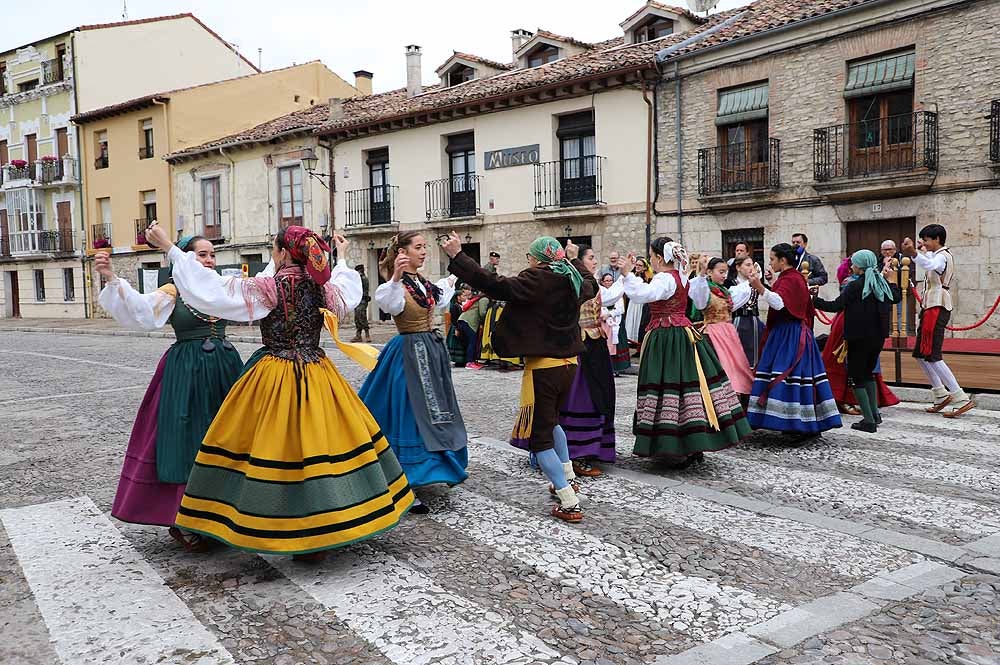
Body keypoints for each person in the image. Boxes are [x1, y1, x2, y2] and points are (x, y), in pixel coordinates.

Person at [144, 222, 413, 561]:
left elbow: (210, 290)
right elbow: (350, 290)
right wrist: (341, 257)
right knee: (321, 447)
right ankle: (328, 526)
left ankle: (280, 526)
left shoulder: (267, 288)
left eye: (275, 249)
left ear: (284, 253)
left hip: (275, 372)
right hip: (317, 371)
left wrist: (171, 249)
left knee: (273, 451)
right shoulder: (324, 288)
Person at [97, 236, 244, 553]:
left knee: (228, 439)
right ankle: (184, 519)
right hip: (187, 372)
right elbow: (140, 310)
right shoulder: (174, 290)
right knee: (188, 440)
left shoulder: (222, 287)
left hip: (225, 370)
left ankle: (223, 514)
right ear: (185, 259)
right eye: (201, 255)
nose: (209, 260)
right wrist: (112, 279)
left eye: (212, 255)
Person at [443, 233, 596, 522]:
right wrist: (575, 259)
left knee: (540, 440)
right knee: (552, 424)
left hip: (545, 368)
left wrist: (458, 257)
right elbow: (593, 284)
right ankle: (568, 476)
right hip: (570, 365)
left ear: (537, 258)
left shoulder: (538, 279)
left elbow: (495, 285)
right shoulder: (573, 279)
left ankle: (568, 501)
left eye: (530, 257)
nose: (528, 262)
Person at [359, 232, 469, 513]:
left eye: (424, 248)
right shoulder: (394, 287)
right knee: (407, 412)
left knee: (434, 412)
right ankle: (402, 480)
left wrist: (456, 259)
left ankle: (433, 467)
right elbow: (388, 303)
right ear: (403, 253)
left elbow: (444, 293)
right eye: (418, 248)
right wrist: (394, 277)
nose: (424, 253)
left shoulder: (424, 284)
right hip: (407, 354)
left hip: (430, 353)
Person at [622, 239, 751, 463]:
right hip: (684, 334)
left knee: (669, 385)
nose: (651, 260)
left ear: (659, 258)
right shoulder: (681, 276)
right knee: (691, 386)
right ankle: (693, 442)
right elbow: (698, 299)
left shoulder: (665, 278)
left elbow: (643, 295)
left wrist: (627, 275)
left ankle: (675, 445)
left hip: (666, 338)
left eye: (652, 256)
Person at [747, 243, 842, 438]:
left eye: (773, 259)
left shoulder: (791, 278)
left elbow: (781, 304)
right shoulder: (790, 278)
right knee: (799, 379)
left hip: (789, 336)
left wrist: (761, 288)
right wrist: (770, 284)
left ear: (783, 260)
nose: (770, 262)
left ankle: (797, 425)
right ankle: (804, 423)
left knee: (790, 378)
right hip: (791, 333)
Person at [547, 246, 624, 476]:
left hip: (595, 345)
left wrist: (629, 275)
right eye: (590, 258)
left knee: (601, 395)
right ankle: (576, 454)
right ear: (579, 263)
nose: (594, 262)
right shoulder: (574, 283)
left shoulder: (592, 285)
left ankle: (593, 450)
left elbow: (613, 295)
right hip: (580, 348)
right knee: (582, 399)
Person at [813, 250, 900, 432]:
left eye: (854, 263)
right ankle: (874, 414)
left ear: (860, 266)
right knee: (868, 374)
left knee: (857, 377)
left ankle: (868, 420)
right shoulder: (881, 283)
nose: (851, 266)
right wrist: (892, 279)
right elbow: (896, 296)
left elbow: (835, 306)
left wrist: (813, 300)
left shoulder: (854, 286)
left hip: (858, 337)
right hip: (877, 337)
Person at [902, 225, 975, 417]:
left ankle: (961, 397)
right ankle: (941, 394)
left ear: (937, 239)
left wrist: (915, 253)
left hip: (937, 307)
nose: (924, 243)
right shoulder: (936, 254)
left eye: (926, 239)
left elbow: (932, 266)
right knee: (920, 353)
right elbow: (929, 261)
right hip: (930, 307)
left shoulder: (942, 256)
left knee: (933, 354)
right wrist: (921, 251)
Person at [690, 257, 755, 397]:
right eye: (721, 272)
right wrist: (700, 274)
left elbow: (740, 293)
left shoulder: (725, 291)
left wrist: (751, 280)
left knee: (737, 367)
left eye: (725, 272)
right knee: (721, 367)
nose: (724, 275)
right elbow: (699, 299)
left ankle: (736, 396)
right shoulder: (705, 289)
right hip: (712, 333)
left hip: (728, 332)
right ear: (710, 272)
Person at [729, 256, 765, 368]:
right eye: (747, 265)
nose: (751, 268)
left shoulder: (756, 283)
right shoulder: (731, 283)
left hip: (754, 322)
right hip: (738, 321)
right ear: (738, 267)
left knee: (755, 351)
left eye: (752, 265)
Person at [603, 273, 631, 375]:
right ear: (602, 282)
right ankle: (608, 367)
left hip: (616, 322)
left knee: (618, 344)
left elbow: (621, 309)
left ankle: (618, 368)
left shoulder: (617, 293)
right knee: (607, 345)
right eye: (606, 281)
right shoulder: (602, 293)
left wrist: (611, 313)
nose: (609, 283)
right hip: (605, 323)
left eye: (610, 280)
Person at [625, 257, 653, 353]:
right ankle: (634, 344)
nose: (637, 267)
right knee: (632, 321)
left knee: (639, 322)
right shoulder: (633, 275)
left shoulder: (647, 277)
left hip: (642, 303)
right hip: (633, 303)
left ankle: (640, 346)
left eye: (640, 265)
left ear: (645, 267)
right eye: (636, 265)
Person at [445, 285, 472, 367]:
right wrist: (456, 329)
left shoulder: (460, 305)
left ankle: (462, 360)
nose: (465, 297)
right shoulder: (454, 306)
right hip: (456, 328)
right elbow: (454, 319)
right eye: (463, 296)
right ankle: (458, 360)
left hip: (460, 327)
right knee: (457, 344)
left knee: (461, 343)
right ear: (458, 297)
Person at [352, 263, 371, 343]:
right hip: (357, 300)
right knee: (357, 317)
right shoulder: (357, 279)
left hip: (363, 300)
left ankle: (367, 334)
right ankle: (358, 335)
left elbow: (364, 290)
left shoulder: (363, 279)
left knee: (361, 315)